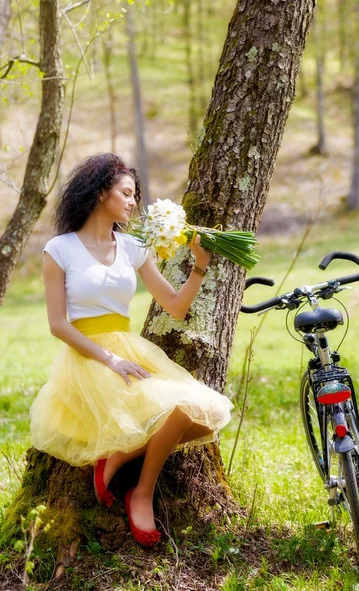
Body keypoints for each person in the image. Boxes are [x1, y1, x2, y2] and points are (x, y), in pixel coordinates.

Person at [30, 153, 234, 548]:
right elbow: (58, 324)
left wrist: (200, 267)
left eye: (135, 196)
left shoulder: (131, 247)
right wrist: (109, 359)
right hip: (89, 356)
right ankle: (140, 495)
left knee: (203, 415)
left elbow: (174, 306)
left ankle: (128, 466)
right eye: (126, 193)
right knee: (171, 410)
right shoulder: (59, 249)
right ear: (100, 191)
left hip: (131, 348)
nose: (133, 203)